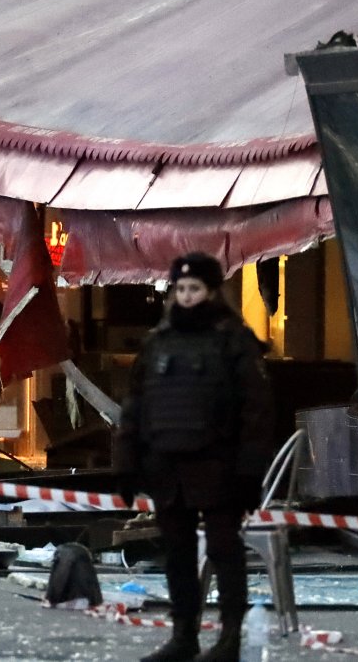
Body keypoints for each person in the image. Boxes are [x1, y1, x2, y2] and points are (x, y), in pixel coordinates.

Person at [113, 252, 274, 662]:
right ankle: (184, 636)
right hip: (167, 468)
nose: (187, 296)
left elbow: (255, 413)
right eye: (181, 288)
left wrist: (248, 472)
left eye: (195, 288)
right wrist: (126, 464)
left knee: (224, 550)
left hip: (217, 467)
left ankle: (229, 639)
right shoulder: (158, 342)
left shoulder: (234, 341)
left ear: (212, 291)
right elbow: (135, 406)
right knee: (178, 554)